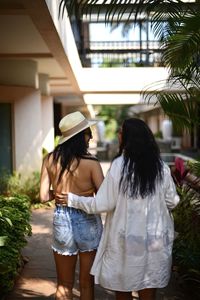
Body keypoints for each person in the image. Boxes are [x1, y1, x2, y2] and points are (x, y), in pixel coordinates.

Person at [56, 118, 180, 300]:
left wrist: (73, 200)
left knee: (122, 286)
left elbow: (102, 204)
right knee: (149, 285)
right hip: (154, 241)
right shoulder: (160, 167)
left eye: (121, 132)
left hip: (125, 242)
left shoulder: (119, 166)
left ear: (129, 138)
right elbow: (173, 201)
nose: (118, 134)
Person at [39, 111, 104, 300]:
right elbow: (103, 198)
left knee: (64, 284)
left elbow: (43, 197)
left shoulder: (49, 159)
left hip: (62, 220)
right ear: (81, 137)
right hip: (89, 221)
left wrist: (58, 195)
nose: (90, 138)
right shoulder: (91, 163)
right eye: (88, 134)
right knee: (86, 283)